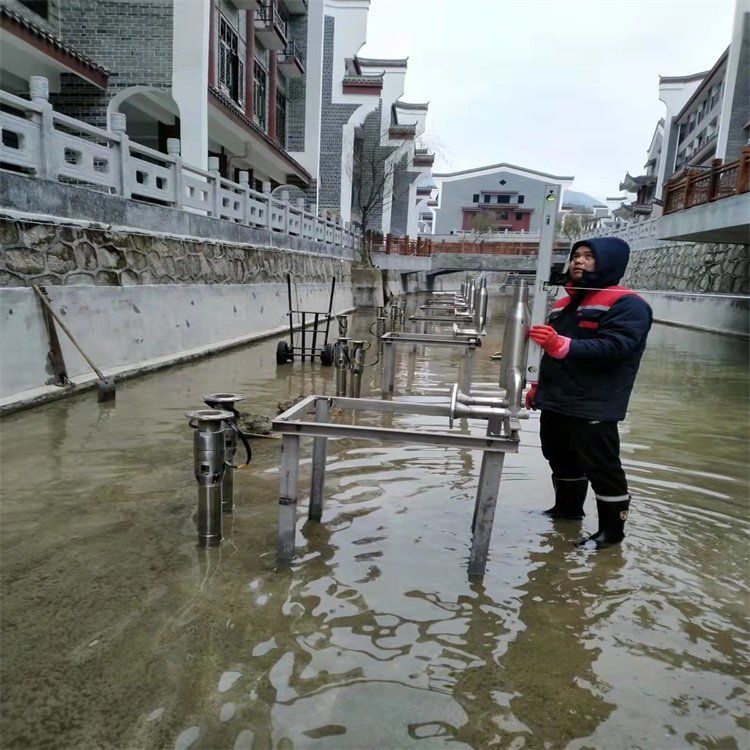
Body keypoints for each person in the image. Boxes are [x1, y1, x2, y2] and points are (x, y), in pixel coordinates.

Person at [525, 236, 652, 548]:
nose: (578, 262)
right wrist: (538, 384)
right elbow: (551, 351)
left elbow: (620, 346)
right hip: (558, 399)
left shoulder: (628, 303)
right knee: (559, 456)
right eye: (576, 256)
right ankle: (567, 513)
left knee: (602, 467)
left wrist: (562, 345)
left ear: (609, 262)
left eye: (588, 256)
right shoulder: (564, 303)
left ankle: (611, 533)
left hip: (594, 403)